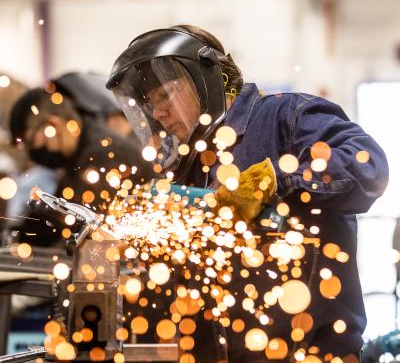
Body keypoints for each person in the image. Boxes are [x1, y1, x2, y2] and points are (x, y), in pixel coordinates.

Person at [106, 25, 389, 362]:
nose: (157, 114)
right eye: (150, 105)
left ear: (206, 79)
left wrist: (277, 181)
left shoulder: (287, 117)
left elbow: (368, 165)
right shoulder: (191, 163)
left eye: (165, 95)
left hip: (312, 352)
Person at [8, 87, 149, 245]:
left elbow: (83, 231)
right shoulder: (79, 155)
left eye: (32, 142)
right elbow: (59, 212)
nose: (33, 153)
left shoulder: (101, 156)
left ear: (52, 126)